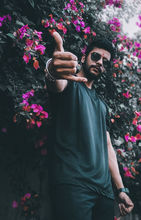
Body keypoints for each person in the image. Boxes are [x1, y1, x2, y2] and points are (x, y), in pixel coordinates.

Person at [45, 30, 134, 220]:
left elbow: (108, 145)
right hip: (73, 185)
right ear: (84, 57)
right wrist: (53, 68)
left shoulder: (102, 106)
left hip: (104, 192)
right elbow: (55, 82)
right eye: (96, 56)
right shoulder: (70, 84)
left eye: (105, 62)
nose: (100, 62)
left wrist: (120, 189)